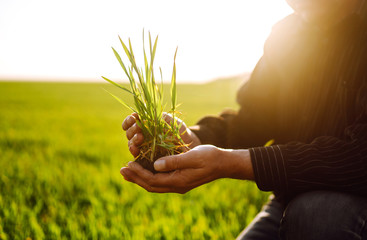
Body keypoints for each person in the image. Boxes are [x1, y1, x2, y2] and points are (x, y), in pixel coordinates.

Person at [120, 0, 367, 239]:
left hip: (346, 205)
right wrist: (194, 138)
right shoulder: (288, 35)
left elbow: (361, 156)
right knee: (306, 211)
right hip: (287, 200)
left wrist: (229, 163)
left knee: (314, 213)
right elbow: (255, 118)